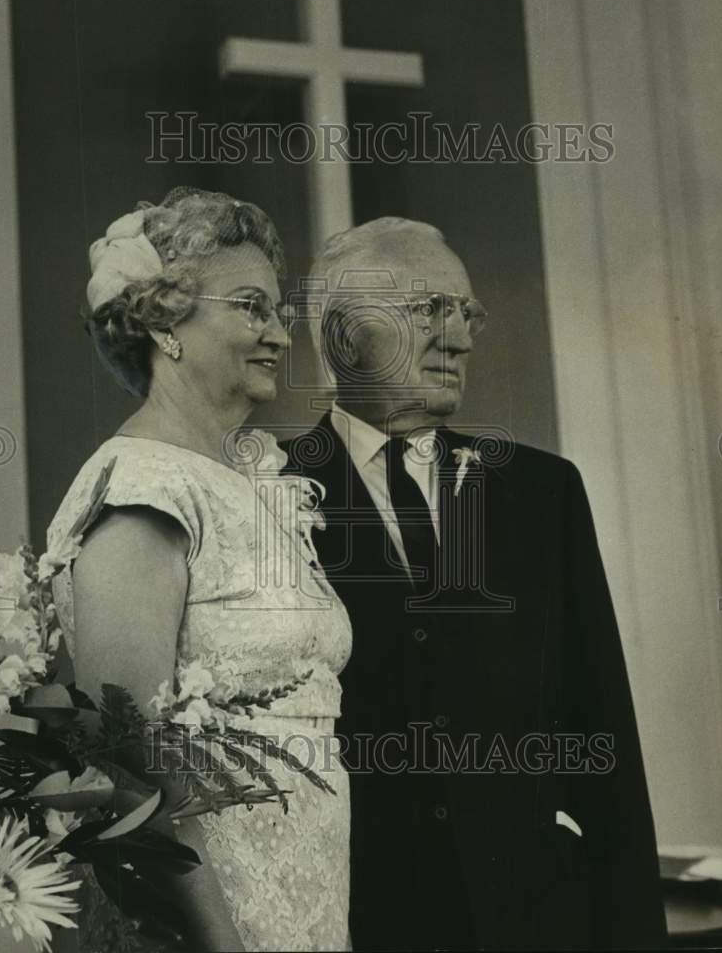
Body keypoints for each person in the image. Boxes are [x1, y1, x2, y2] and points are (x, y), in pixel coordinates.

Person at [283, 217, 667, 950]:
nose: (459, 337)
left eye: (467, 313)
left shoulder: (543, 490)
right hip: (360, 927)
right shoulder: (264, 493)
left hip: (535, 927)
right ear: (341, 338)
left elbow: (606, 741)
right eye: (429, 308)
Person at [44, 187, 351, 952]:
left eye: (279, 311)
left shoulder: (250, 482)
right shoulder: (144, 487)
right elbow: (129, 760)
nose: (279, 334)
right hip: (213, 914)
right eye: (250, 306)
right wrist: (226, 942)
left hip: (306, 886)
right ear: (162, 323)